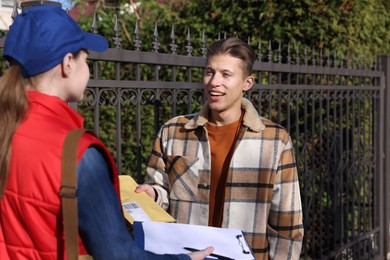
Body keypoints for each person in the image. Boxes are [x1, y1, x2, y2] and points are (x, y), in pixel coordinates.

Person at [0, 4, 213, 260]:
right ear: (68, 64)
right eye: (86, 59)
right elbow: (118, 256)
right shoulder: (76, 153)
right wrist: (186, 259)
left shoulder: (9, 126)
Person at [136, 37, 304, 259]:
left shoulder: (275, 140)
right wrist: (152, 194)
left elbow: (287, 223)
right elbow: (160, 190)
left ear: (247, 83)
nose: (214, 82)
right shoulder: (173, 131)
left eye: (226, 74)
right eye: (209, 72)